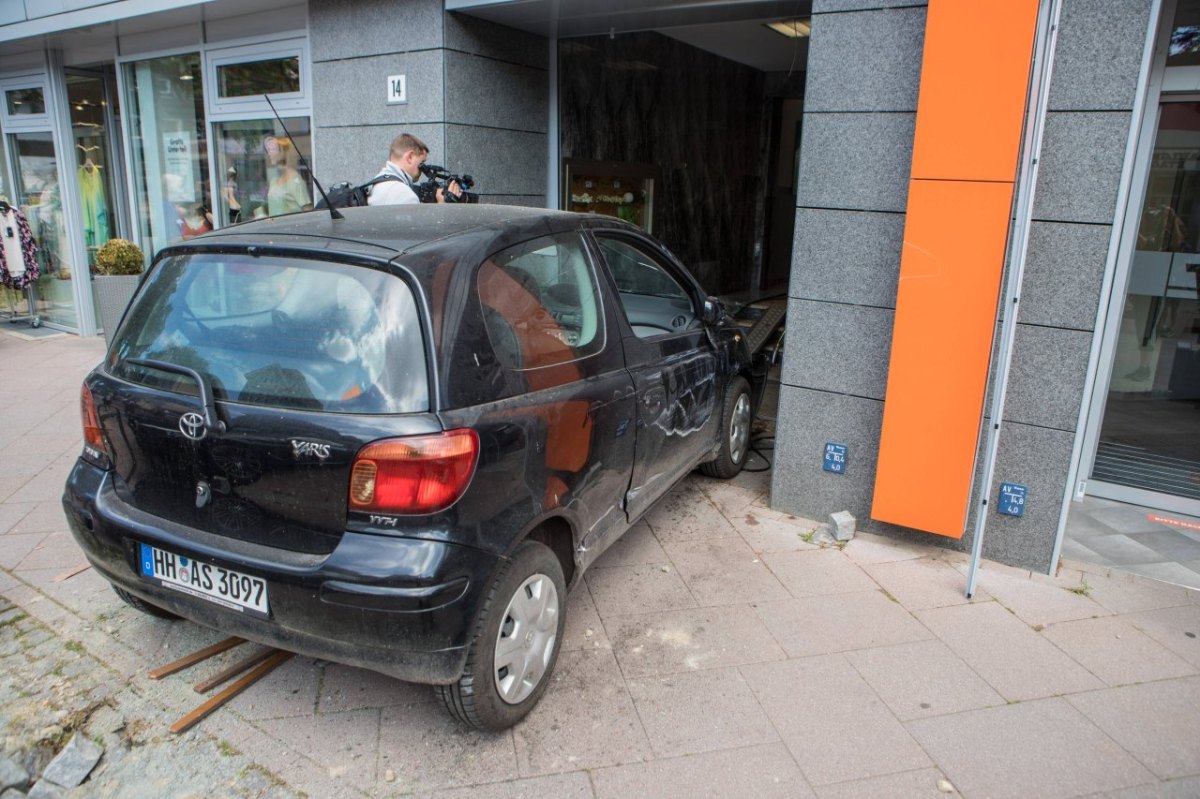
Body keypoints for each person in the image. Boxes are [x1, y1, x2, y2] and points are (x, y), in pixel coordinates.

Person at [368, 133, 460, 205]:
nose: (423, 169)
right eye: (422, 163)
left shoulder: (377, 183)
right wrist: (442, 205)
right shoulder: (402, 193)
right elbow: (418, 229)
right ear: (410, 157)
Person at [264, 136, 312, 216]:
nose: (269, 154)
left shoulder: (296, 182)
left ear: (284, 151)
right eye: (268, 150)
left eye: (272, 149)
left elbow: (308, 213)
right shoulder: (274, 182)